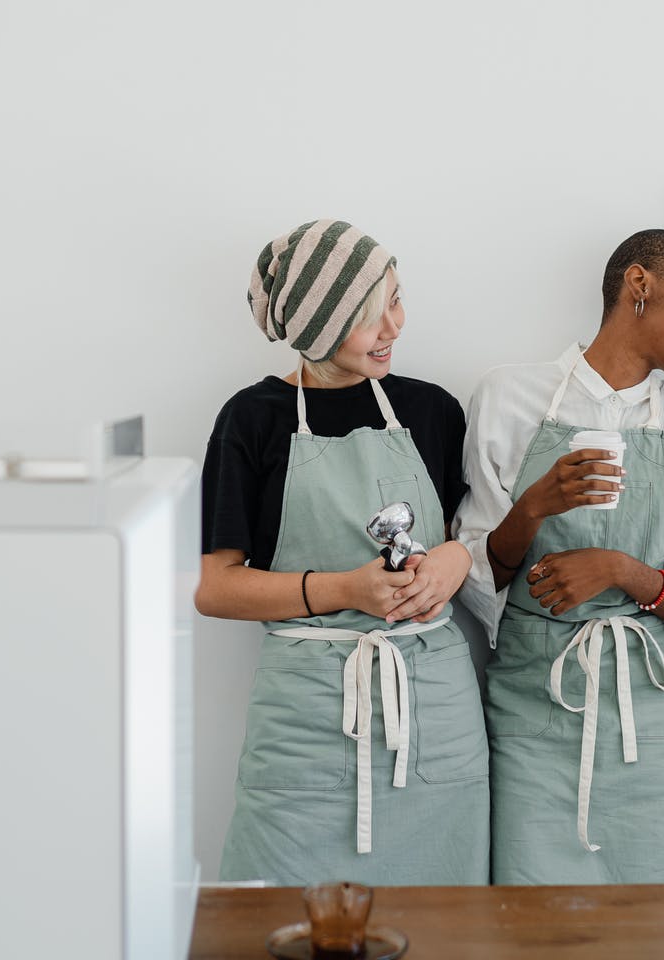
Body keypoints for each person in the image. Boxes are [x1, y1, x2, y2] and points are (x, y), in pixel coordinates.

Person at [453, 228, 664, 884]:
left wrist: (627, 572)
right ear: (639, 285)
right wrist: (531, 508)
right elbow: (476, 577)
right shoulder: (509, 397)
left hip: (657, 730)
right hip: (532, 722)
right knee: (530, 932)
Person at [196, 220, 488, 886]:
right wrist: (346, 590)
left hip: (433, 712)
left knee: (442, 918)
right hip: (307, 719)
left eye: (397, 298)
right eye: (371, 313)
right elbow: (216, 587)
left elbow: (479, 534)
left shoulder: (433, 410)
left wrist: (455, 561)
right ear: (320, 325)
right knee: (279, 918)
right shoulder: (252, 420)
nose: (397, 323)